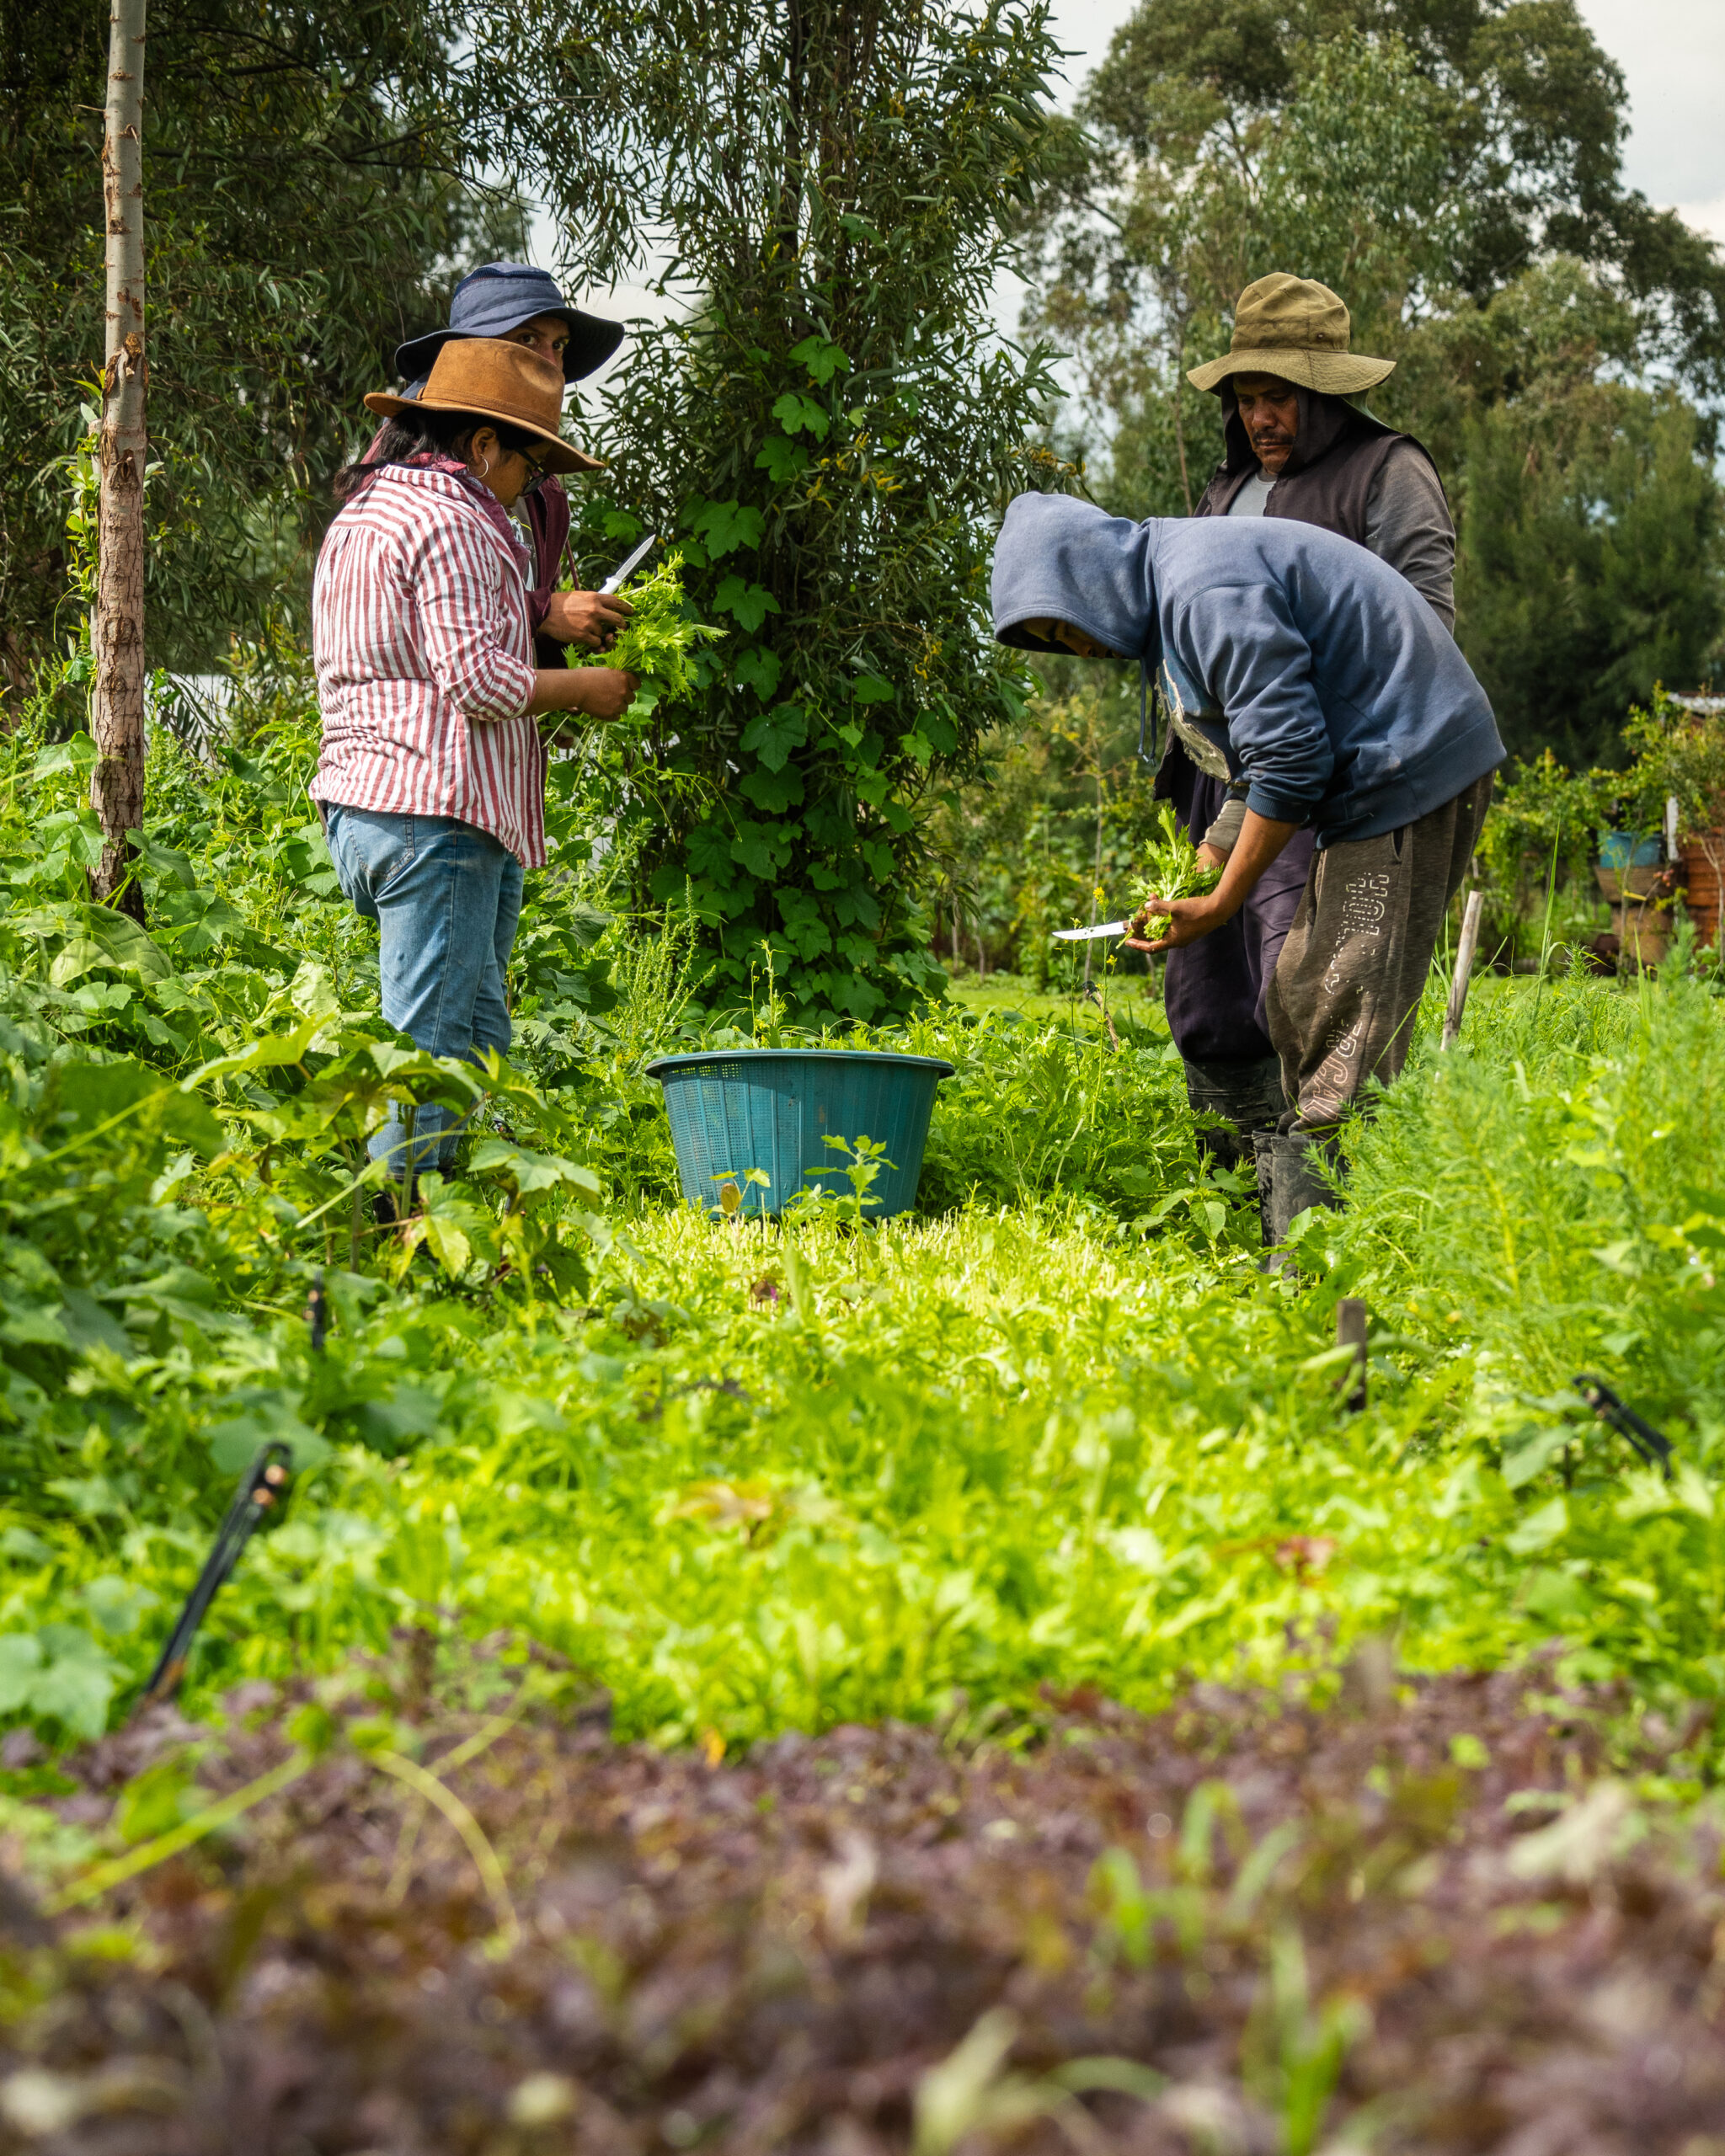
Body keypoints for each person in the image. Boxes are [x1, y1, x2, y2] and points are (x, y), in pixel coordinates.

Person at [991, 491, 1503, 1242]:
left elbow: (1293, 762)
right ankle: (1310, 1242)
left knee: (1342, 1012)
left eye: (1064, 624)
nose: (1081, 649)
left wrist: (1225, 901)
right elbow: (1255, 769)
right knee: (1301, 991)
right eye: (1054, 642)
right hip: (1374, 784)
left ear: (1087, 572)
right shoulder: (1176, 588)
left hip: (1409, 769)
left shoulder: (1202, 589)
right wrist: (1202, 871)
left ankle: (1325, 1268)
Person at [312, 338, 637, 1205]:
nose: (530, 489)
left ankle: (478, 1209)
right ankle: (396, 1227)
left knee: (478, 1026)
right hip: (436, 810)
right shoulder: (453, 519)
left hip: (375, 801)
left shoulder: (366, 510)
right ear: (484, 446)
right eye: (529, 467)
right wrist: (584, 690)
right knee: (429, 1045)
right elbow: (478, 679)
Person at [1162, 273, 1458, 1173]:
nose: (1261, 417)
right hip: (1223, 765)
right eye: (1247, 398)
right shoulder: (1227, 488)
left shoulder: (1386, 473)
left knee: (1305, 974)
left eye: (1278, 395)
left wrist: (1299, 738)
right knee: (1208, 976)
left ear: (1327, 394)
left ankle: (1315, 1196)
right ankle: (1229, 1185)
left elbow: (1423, 630)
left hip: (1330, 771)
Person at [388, 261, 631, 667]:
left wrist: (567, 670)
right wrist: (542, 611)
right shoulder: (406, 472)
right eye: (527, 338)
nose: (550, 364)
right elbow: (416, 615)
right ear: (472, 348)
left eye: (559, 345)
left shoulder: (542, 488)